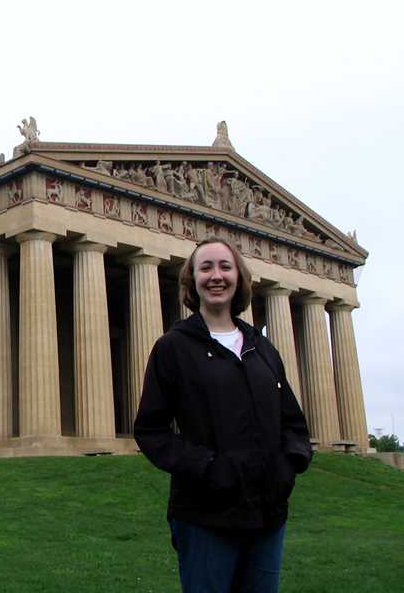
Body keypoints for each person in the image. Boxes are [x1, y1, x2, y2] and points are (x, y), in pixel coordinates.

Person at [133, 237, 312, 593]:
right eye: (206, 267)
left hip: (267, 514)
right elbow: (151, 430)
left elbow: (292, 422)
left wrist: (287, 468)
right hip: (204, 515)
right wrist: (208, 468)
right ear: (192, 281)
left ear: (239, 278)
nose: (216, 276)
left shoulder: (262, 348)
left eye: (225, 267)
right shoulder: (173, 347)